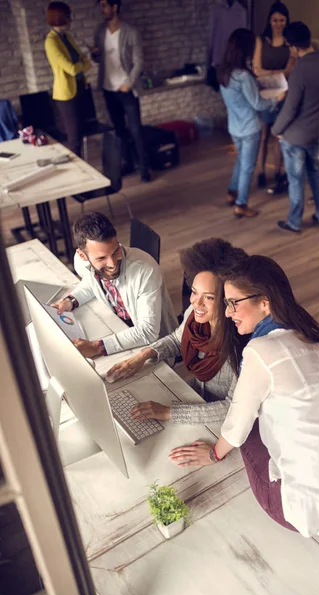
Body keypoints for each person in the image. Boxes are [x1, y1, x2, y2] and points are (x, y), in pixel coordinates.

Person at [170, 255, 319, 544]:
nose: (228, 312)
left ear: (265, 303)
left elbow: (236, 425)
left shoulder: (259, 351)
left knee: (248, 426)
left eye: (233, 302)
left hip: (301, 509)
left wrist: (212, 455)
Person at [106, 238, 248, 424]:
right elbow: (176, 340)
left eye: (209, 298)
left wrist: (168, 412)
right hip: (195, 396)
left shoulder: (243, 345)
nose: (195, 303)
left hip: (223, 422)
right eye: (194, 292)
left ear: (228, 299)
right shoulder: (196, 314)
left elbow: (232, 408)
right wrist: (142, 356)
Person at [52, 211, 177, 357]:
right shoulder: (80, 262)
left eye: (116, 251)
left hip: (152, 345)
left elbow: (148, 332)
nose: (112, 264)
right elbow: (91, 282)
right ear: (82, 255)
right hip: (117, 327)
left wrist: (97, 347)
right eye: (102, 258)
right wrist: (70, 301)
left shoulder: (145, 269)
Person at [271, 22, 319, 233]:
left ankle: (294, 222)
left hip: (295, 137)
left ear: (292, 46)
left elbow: (290, 109)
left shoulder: (300, 70)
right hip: (316, 132)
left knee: (296, 180)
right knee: (317, 176)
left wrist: (276, 130)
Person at [218, 28, 283, 219]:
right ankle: (241, 204)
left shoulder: (223, 72)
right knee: (248, 166)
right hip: (249, 128)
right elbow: (258, 104)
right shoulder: (243, 76)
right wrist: (276, 99)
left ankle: (232, 191)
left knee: (241, 161)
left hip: (234, 126)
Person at [92, 0, 150, 181]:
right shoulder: (100, 32)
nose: (101, 10)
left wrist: (129, 83)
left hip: (126, 89)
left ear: (114, 7)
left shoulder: (130, 32)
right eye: (100, 6)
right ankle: (128, 164)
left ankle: (144, 169)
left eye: (104, 6)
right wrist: (95, 55)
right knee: (119, 130)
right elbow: (99, 60)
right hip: (108, 89)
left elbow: (139, 62)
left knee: (135, 130)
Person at [253, 1, 295, 194]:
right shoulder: (261, 41)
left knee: (279, 135)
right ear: (269, 21)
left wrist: (269, 73)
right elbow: (256, 70)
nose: (278, 23)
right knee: (263, 135)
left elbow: (290, 71)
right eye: (275, 20)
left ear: (287, 21)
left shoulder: (290, 43)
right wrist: (276, 73)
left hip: (283, 93)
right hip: (263, 93)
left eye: (282, 20)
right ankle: (261, 172)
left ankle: (278, 171)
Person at [45, 2, 91, 157]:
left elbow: (84, 60)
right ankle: (78, 174)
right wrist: (82, 64)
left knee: (80, 134)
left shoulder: (67, 37)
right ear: (61, 18)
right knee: (73, 139)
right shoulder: (51, 41)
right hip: (66, 95)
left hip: (79, 88)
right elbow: (70, 68)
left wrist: (82, 64)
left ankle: (84, 171)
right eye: (68, 16)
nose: (71, 20)